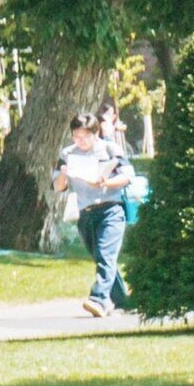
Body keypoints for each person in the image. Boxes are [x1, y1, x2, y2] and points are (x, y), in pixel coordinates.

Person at [59, 108, 141, 316]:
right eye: (77, 136)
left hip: (111, 209)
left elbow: (128, 176)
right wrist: (63, 174)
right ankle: (123, 300)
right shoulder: (68, 154)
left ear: (96, 134)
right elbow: (59, 186)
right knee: (101, 257)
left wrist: (105, 182)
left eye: (86, 136)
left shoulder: (110, 149)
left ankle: (99, 299)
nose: (81, 141)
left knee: (106, 254)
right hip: (86, 213)